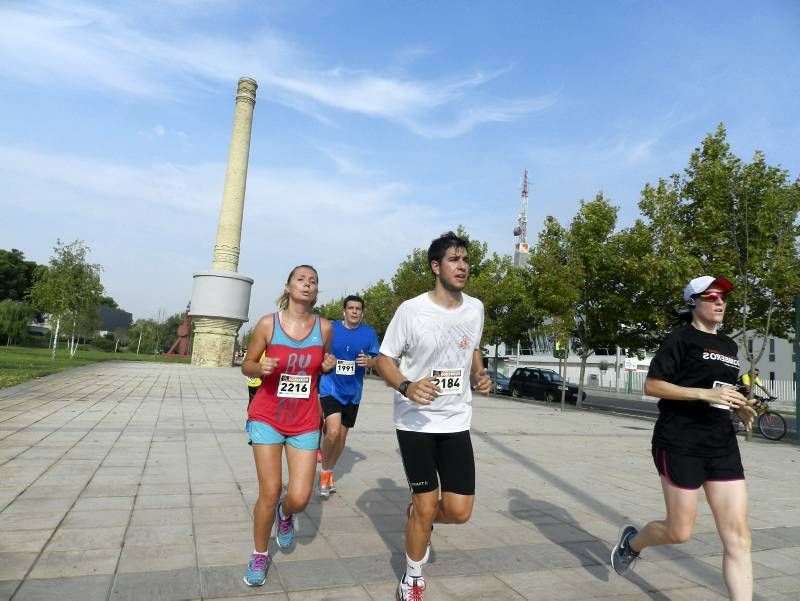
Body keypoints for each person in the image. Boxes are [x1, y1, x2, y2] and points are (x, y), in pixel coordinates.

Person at [611, 276, 756, 600]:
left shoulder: (730, 346)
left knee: (739, 538)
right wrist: (702, 394)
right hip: (680, 442)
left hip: (721, 445)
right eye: (712, 296)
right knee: (680, 531)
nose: (721, 302)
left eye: (724, 298)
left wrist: (741, 406)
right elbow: (653, 386)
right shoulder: (680, 339)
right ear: (693, 301)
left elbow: (722, 390)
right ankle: (633, 542)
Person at [375, 231, 492, 601]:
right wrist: (406, 386)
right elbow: (384, 360)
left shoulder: (475, 308)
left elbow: (472, 348)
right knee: (427, 506)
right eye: (454, 260)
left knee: (459, 511)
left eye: (466, 260)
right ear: (435, 266)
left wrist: (479, 373)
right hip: (416, 422)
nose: (463, 266)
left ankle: (418, 517)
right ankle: (412, 577)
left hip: (456, 420)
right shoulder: (411, 310)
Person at [240, 265, 336, 587]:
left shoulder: (324, 328)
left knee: (299, 496)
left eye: (313, 281)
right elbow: (247, 365)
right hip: (267, 415)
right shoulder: (269, 323)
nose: (307, 285)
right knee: (269, 490)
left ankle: (286, 514)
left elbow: (323, 366)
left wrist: (328, 364)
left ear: (316, 290)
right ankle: (259, 553)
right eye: (301, 279)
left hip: (305, 420)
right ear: (288, 286)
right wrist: (260, 365)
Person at [318, 295, 381, 497]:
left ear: (362, 313)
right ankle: (324, 472)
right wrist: (325, 361)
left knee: (341, 439)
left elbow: (379, 359)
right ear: (344, 311)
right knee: (333, 432)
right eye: (351, 308)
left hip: (352, 392)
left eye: (358, 308)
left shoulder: (369, 333)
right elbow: (317, 351)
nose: (354, 311)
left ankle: (328, 469)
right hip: (330, 387)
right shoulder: (331, 328)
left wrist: (369, 363)